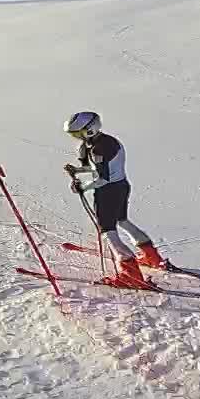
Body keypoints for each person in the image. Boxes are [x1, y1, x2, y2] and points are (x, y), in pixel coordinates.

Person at [63, 110, 166, 288]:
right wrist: (77, 171)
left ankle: (130, 275)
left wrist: (83, 187)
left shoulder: (99, 148)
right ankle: (152, 256)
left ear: (89, 129)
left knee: (107, 231)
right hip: (121, 186)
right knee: (122, 221)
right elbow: (97, 168)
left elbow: (103, 178)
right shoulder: (100, 143)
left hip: (108, 191)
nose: (76, 137)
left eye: (77, 133)